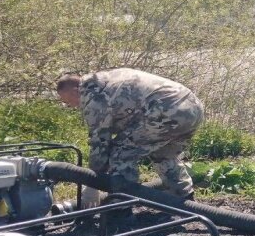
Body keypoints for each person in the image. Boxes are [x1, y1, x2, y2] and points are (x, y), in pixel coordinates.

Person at [56, 68, 204, 206]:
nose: (71, 106)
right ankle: (184, 198)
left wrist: (92, 183)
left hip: (166, 111)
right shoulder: (105, 78)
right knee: (163, 153)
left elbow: (100, 142)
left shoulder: (93, 96)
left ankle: (121, 209)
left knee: (120, 153)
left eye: (68, 101)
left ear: (76, 91)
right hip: (191, 107)